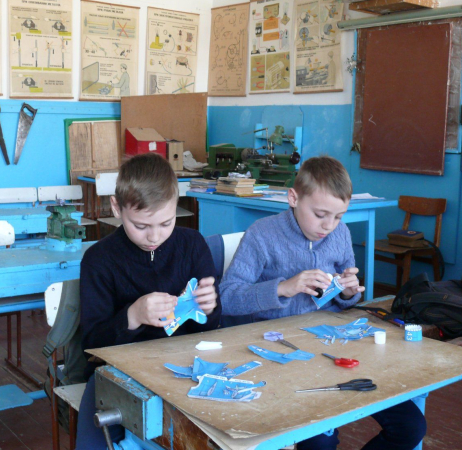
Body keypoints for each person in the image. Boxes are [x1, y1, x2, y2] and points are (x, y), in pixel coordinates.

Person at [219, 156, 426, 450]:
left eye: (338, 216)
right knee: (320, 443)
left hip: (332, 346)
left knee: (411, 427)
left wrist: (348, 292)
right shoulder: (262, 234)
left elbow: (347, 299)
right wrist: (284, 288)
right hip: (280, 353)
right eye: (320, 214)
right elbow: (227, 297)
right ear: (293, 198)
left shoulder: (340, 234)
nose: (328, 226)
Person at [76, 153, 221, 449]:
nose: (154, 236)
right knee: (96, 440)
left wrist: (209, 308)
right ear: (116, 208)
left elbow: (210, 327)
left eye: (166, 223)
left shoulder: (193, 244)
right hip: (120, 375)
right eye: (141, 226)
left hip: (185, 367)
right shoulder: (98, 260)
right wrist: (132, 316)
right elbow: (91, 344)